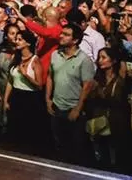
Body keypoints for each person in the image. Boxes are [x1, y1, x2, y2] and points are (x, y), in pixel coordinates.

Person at [46, 24, 96, 163]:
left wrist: (77, 109)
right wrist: (48, 99)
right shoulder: (55, 54)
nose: (61, 36)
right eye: (62, 33)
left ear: (75, 40)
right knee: (59, 145)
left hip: (73, 109)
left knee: (75, 149)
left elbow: (87, 86)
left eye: (66, 34)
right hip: (57, 106)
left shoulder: (84, 60)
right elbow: (50, 76)